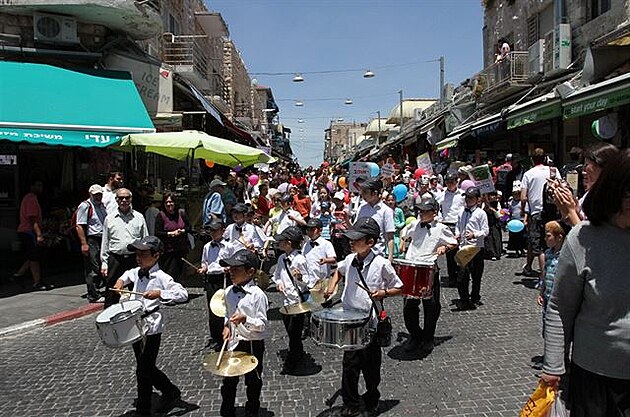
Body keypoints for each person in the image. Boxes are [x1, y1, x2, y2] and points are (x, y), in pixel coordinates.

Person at [541, 149, 630, 417]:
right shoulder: (583, 238)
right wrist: (554, 367)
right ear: (612, 190)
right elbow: (559, 306)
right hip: (596, 379)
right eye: (626, 192)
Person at [323, 217, 403, 417]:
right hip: (349, 322)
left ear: (371, 242)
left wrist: (383, 293)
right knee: (349, 365)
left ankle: (372, 397)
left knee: (371, 366)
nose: (351, 242)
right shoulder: (349, 259)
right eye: (350, 238)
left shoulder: (382, 263)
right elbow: (338, 272)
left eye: (357, 239)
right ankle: (350, 403)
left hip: (370, 323)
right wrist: (332, 286)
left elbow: (399, 287)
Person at [112, 236, 188, 417]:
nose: (138, 257)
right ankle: (170, 390)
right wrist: (120, 283)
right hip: (135, 325)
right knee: (144, 365)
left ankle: (143, 410)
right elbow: (127, 275)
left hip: (151, 326)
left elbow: (182, 293)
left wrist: (160, 293)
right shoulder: (137, 271)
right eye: (137, 254)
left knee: (143, 369)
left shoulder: (162, 277)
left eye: (143, 254)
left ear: (156, 255)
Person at [400, 194, 457, 353]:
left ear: (434, 212)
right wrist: (403, 242)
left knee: (431, 306)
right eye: (419, 211)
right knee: (409, 307)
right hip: (412, 267)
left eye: (424, 211)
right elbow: (403, 233)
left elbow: (454, 242)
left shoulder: (441, 228)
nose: (420, 214)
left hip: (428, 269)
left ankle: (428, 338)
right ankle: (416, 335)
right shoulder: (415, 225)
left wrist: (444, 248)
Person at [218, 249, 269, 417]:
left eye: (236, 269)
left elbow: (262, 325)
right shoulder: (228, 292)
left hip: (252, 343)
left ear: (250, 272)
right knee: (229, 380)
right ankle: (227, 409)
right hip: (233, 342)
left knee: (253, 380)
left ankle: (252, 409)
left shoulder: (258, 295)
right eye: (230, 269)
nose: (231, 273)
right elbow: (227, 313)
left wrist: (245, 319)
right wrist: (226, 325)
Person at [272, 226, 315, 373]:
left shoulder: (300, 260)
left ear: (289, 243)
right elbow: (276, 275)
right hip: (286, 302)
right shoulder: (281, 258)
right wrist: (279, 283)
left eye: (282, 241)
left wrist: (300, 278)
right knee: (290, 332)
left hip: (297, 302)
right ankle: (298, 352)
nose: (279, 244)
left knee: (294, 333)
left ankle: (293, 360)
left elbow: (309, 282)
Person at [101, 188, 148, 308]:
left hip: (134, 258)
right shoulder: (109, 219)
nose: (124, 200)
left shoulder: (139, 217)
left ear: (131, 199)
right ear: (116, 200)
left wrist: (146, 260)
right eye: (121, 198)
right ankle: (109, 317)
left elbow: (145, 240)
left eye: (127, 197)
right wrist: (104, 263)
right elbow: (105, 242)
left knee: (138, 289)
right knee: (112, 290)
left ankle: (140, 314)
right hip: (115, 259)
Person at [552, 143, 618, 226]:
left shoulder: (611, 198)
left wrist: (570, 211)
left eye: (587, 165)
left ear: (603, 167)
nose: (583, 171)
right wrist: (566, 204)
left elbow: (588, 235)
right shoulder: (590, 194)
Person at [520, 148, 558, 277]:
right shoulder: (554, 171)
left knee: (538, 245)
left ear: (532, 159)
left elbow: (523, 197)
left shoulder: (528, 174)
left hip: (535, 213)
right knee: (552, 243)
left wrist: (522, 212)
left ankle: (544, 276)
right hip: (553, 212)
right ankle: (553, 271)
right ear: (545, 158)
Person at [533, 220, 565, 370]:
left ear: (559, 237)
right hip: (548, 297)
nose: (545, 239)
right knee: (547, 329)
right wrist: (541, 291)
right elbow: (544, 274)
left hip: (561, 299)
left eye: (548, 236)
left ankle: (560, 359)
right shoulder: (547, 254)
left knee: (559, 330)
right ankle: (550, 356)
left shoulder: (566, 255)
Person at [198, 220, 235, 351]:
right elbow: (205, 262)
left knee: (226, 307)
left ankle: (229, 333)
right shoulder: (207, 246)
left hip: (224, 278)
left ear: (222, 231)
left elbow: (233, 263)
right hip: (211, 280)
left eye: (215, 230)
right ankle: (216, 337)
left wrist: (229, 268)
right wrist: (203, 268)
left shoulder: (229, 246)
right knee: (213, 309)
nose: (212, 233)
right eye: (211, 231)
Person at [13, 179, 52, 290]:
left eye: (41, 185)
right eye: (38, 185)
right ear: (32, 186)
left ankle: (19, 275)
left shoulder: (30, 198)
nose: (40, 188)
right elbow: (32, 218)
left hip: (27, 231)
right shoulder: (31, 199)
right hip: (28, 231)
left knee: (32, 256)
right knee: (34, 257)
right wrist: (39, 234)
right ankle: (37, 282)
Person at [455, 187, 489, 310]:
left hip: (476, 248)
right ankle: (463, 298)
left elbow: (485, 231)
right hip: (464, 247)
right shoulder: (461, 212)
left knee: (476, 275)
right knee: (462, 274)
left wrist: (475, 234)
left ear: (477, 199)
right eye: (467, 197)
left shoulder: (481, 213)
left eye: (471, 198)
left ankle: (475, 296)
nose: (468, 200)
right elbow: (458, 226)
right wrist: (457, 234)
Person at [75, 184, 107, 303]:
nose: (98, 197)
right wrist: (84, 244)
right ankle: (93, 294)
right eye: (95, 195)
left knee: (101, 264)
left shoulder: (101, 206)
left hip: (102, 238)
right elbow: (79, 225)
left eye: (99, 194)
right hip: (92, 239)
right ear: (90, 194)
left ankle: (98, 289)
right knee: (93, 267)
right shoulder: (85, 206)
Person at [355, 179, 396, 262]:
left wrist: (390, 258)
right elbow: (355, 230)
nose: (363, 195)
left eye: (365, 192)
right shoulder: (361, 208)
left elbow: (390, 237)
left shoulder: (386, 211)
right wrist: (346, 220)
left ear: (375, 193)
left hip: (377, 255)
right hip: (360, 253)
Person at [154, 193, 191, 282]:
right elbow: (157, 232)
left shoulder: (181, 213)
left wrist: (182, 231)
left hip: (181, 249)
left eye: (171, 202)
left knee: (181, 274)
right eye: (166, 202)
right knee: (169, 274)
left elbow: (189, 227)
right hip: (168, 251)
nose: (169, 204)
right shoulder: (161, 215)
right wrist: (169, 234)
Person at [437, 173, 465, 286]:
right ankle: (452, 277)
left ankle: (462, 275)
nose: (450, 184)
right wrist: (439, 219)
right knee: (450, 253)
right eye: (448, 182)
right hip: (447, 224)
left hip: (459, 224)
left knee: (461, 251)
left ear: (457, 182)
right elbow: (437, 208)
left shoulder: (462, 194)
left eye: (452, 182)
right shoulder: (441, 195)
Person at [506, 181, 526, 257]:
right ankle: (516, 250)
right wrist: (507, 218)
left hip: (520, 221)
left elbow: (526, 212)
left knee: (522, 237)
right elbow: (509, 211)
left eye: (517, 194)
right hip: (513, 221)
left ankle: (522, 250)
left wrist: (525, 220)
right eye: (514, 194)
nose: (516, 196)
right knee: (515, 238)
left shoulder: (522, 202)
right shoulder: (511, 202)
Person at [482, 191, 502, 261]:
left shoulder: (497, 204)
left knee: (495, 238)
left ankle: (495, 253)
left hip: (494, 223)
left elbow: (499, 216)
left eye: (494, 195)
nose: (493, 197)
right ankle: (488, 253)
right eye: (491, 195)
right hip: (486, 223)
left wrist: (493, 210)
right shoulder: (484, 203)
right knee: (488, 239)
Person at [384, 193, 405, 258]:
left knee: (396, 250)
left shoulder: (399, 211)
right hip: (387, 235)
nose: (390, 202)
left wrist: (398, 225)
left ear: (395, 201)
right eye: (389, 200)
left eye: (392, 200)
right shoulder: (384, 211)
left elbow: (403, 222)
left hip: (396, 235)